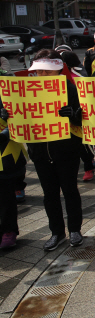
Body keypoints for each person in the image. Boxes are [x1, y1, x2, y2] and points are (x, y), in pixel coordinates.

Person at [26, 50, 85, 251]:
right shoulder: (26, 91)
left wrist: (74, 115)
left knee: (69, 190)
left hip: (66, 150)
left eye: (47, 72)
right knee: (49, 194)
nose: (42, 76)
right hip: (41, 151)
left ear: (59, 70)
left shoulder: (71, 88)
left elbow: (86, 119)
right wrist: (7, 113)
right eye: (39, 72)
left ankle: (75, 230)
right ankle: (56, 232)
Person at [57, 45, 95, 182]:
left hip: (78, 116)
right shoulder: (55, 79)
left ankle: (88, 167)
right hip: (59, 119)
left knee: (82, 145)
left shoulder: (78, 76)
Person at [0, 80, 27, 250]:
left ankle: (8, 231)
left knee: (5, 197)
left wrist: (5, 133)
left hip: (4, 154)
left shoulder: (6, 89)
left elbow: (20, 116)